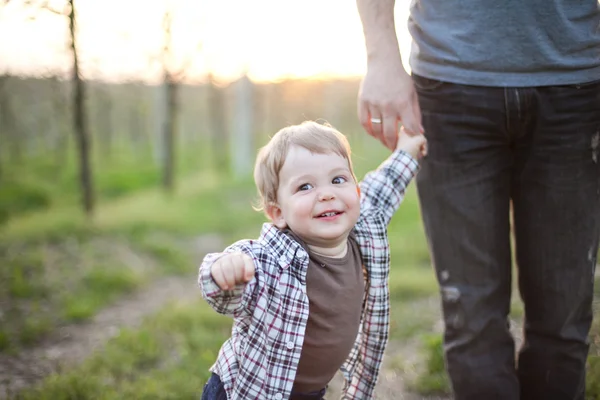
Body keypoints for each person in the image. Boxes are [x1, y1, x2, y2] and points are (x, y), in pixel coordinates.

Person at [356, 0, 600, 399]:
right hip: (449, 87)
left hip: (576, 86)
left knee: (563, 322)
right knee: (471, 321)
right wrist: (381, 57)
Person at [198, 120, 426, 400]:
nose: (327, 193)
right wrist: (225, 272)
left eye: (338, 179)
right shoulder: (273, 259)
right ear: (278, 213)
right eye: (305, 187)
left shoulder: (363, 229)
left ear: (356, 191)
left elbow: (385, 184)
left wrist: (407, 150)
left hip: (311, 393)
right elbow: (223, 292)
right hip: (248, 391)